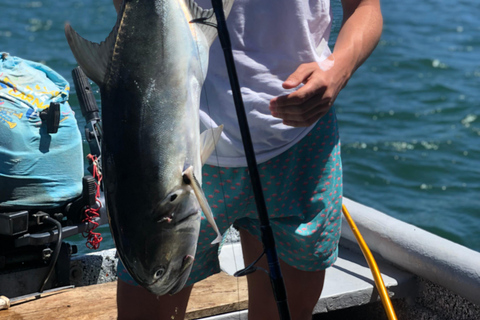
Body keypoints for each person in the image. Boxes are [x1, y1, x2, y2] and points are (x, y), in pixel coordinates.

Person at [112, 0, 383, 319]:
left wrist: (337, 71)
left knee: (290, 312)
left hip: (300, 147)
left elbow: (365, 7)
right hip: (173, 155)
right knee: (152, 290)